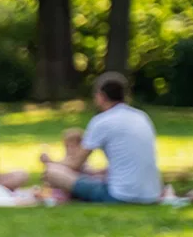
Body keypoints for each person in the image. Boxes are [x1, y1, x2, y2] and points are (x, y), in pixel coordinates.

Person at [41, 72, 162, 204]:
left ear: (101, 96)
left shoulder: (102, 121)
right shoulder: (142, 116)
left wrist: (51, 162)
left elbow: (76, 164)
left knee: (52, 173)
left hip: (120, 195)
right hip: (151, 194)